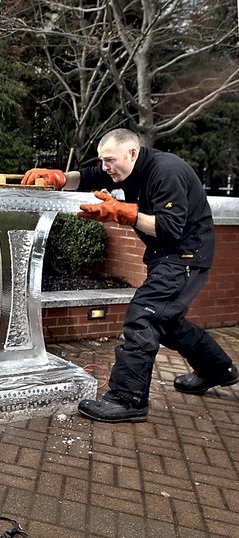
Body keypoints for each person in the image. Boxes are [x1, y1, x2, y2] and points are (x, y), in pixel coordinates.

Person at [21, 128, 237, 423]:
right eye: (102, 160)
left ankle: (128, 398)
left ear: (132, 152)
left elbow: (170, 228)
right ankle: (217, 369)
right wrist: (59, 178)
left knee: (144, 316)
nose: (105, 167)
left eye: (109, 160)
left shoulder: (167, 171)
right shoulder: (124, 169)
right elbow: (87, 177)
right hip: (166, 256)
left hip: (185, 255)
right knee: (168, 321)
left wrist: (123, 213)